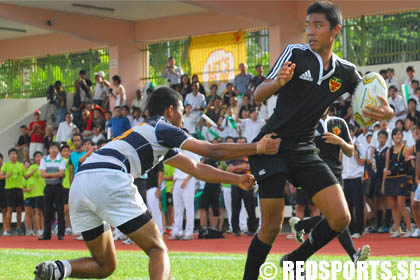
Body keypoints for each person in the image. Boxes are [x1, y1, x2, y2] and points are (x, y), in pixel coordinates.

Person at [33, 86, 280, 280]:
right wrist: (256, 147)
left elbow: (195, 167)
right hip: (109, 178)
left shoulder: (148, 133)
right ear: (171, 111)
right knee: (157, 250)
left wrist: (236, 179)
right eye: (182, 112)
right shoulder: (164, 127)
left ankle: (58, 269)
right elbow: (212, 150)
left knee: (104, 265)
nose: (183, 120)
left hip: (81, 183)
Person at [242, 2, 394, 279]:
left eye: (318, 25)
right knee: (271, 228)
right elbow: (259, 95)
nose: (310, 31)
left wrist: (388, 111)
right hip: (271, 145)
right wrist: (278, 82)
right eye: (308, 25)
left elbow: (369, 99)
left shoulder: (346, 72)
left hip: (304, 149)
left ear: (335, 30)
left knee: (341, 217)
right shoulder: (295, 54)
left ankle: (294, 259)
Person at [289, 109, 370, 262]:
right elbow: (295, 151)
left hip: (336, 175)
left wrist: (339, 141)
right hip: (315, 175)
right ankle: (354, 255)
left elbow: (350, 151)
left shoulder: (339, 123)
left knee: (335, 218)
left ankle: (300, 226)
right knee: (337, 217)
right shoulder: (307, 123)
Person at [383, 128, 413, 238]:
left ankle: (409, 228)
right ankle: (397, 229)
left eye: (399, 134)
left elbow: (407, 167)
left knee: (401, 204)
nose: (397, 136)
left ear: (402, 136)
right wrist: (384, 183)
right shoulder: (389, 150)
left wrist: (394, 170)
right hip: (391, 179)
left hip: (401, 178)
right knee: (393, 205)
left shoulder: (406, 149)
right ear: (392, 137)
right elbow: (386, 168)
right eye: (395, 134)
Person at [227, 137, 257, 236]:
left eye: (243, 143)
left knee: (250, 206)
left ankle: (252, 229)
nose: (241, 144)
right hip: (235, 183)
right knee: (235, 207)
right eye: (239, 143)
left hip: (248, 182)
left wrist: (236, 168)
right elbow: (230, 169)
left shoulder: (250, 155)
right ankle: (236, 229)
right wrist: (241, 167)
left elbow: (250, 167)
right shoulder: (232, 154)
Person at [170, 149, 200, 240]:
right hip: (178, 180)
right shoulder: (177, 151)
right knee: (177, 208)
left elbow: (196, 166)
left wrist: (187, 180)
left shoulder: (191, 151)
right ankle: (177, 231)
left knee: (189, 207)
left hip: (188, 180)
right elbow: (176, 170)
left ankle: (189, 232)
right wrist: (173, 184)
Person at [39, 143, 66, 241]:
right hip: (48, 187)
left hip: (58, 187)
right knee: (47, 211)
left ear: (58, 150)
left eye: (55, 148)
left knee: (60, 210)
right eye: (52, 148)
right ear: (48, 150)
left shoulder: (61, 160)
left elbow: (61, 173)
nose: (54, 150)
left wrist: (48, 174)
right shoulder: (44, 159)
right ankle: (47, 234)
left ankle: (61, 233)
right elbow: (42, 174)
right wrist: (56, 174)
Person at [0, 148, 25, 236]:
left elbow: (25, 176)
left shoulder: (20, 165)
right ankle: (8, 229)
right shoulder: (6, 165)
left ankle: (18, 228)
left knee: (19, 209)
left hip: (18, 188)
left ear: (17, 155)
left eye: (15, 153)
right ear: (9, 156)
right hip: (9, 189)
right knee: (9, 209)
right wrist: (6, 175)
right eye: (11, 154)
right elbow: (0, 176)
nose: (13, 155)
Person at [23, 151, 45, 236]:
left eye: (40, 156)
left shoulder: (44, 166)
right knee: (36, 212)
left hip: (43, 192)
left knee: (42, 213)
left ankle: (43, 229)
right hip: (35, 193)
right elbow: (26, 176)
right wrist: (33, 172)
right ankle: (37, 229)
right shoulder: (33, 167)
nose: (39, 158)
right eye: (37, 156)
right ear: (34, 158)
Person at [145, 163, 164, 235]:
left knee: (155, 211)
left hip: (153, 187)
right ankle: (151, 232)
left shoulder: (158, 158)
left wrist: (159, 188)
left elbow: (161, 172)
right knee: (147, 212)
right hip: (144, 187)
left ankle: (160, 231)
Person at [60, 145, 72, 234]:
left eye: (68, 151)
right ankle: (58, 223)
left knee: (69, 208)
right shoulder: (63, 161)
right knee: (65, 208)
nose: (67, 153)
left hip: (70, 186)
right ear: (61, 153)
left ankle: (68, 226)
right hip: (64, 186)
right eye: (64, 151)